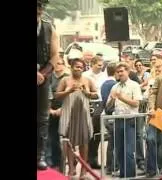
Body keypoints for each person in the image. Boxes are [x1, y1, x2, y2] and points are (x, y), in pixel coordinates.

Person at [55, 59, 98, 178]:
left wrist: (86, 92)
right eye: (76, 66)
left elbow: (96, 94)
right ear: (71, 67)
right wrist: (68, 91)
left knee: (84, 141)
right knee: (69, 142)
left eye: (81, 67)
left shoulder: (88, 80)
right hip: (68, 115)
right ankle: (71, 170)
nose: (78, 69)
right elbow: (56, 96)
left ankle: (84, 171)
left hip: (83, 115)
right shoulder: (65, 80)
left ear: (84, 69)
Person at [106, 62, 143, 178]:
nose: (119, 74)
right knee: (119, 150)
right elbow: (108, 106)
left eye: (122, 71)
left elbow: (136, 103)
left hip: (130, 120)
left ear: (127, 71)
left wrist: (122, 97)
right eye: (117, 72)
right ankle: (123, 175)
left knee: (128, 152)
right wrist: (112, 99)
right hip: (118, 120)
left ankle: (130, 176)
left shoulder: (134, 85)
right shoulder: (114, 87)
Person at [37, 0, 60, 170]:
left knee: (43, 118)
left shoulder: (49, 28)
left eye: (40, 6)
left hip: (42, 79)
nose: (38, 9)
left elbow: (54, 56)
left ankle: (40, 156)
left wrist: (42, 75)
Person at [83, 56, 108, 168]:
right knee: (87, 133)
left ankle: (93, 159)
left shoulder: (104, 76)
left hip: (99, 105)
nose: (101, 67)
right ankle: (84, 160)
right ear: (92, 64)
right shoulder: (85, 75)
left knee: (96, 133)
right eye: (98, 65)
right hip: (87, 105)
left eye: (102, 65)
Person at [47, 58, 69, 171]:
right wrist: (50, 110)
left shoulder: (67, 77)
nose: (58, 65)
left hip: (65, 109)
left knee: (68, 140)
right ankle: (56, 164)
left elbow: (70, 96)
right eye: (56, 63)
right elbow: (46, 94)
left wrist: (62, 109)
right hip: (50, 110)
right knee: (53, 139)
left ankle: (67, 165)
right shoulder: (49, 77)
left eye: (61, 63)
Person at [100, 63, 120, 174]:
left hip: (107, 116)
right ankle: (112, 166)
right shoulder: (114, 85)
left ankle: (109, 166)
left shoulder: (104, 84)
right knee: (114, 143)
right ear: (116, 72)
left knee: (111, 143)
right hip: (112, 115)